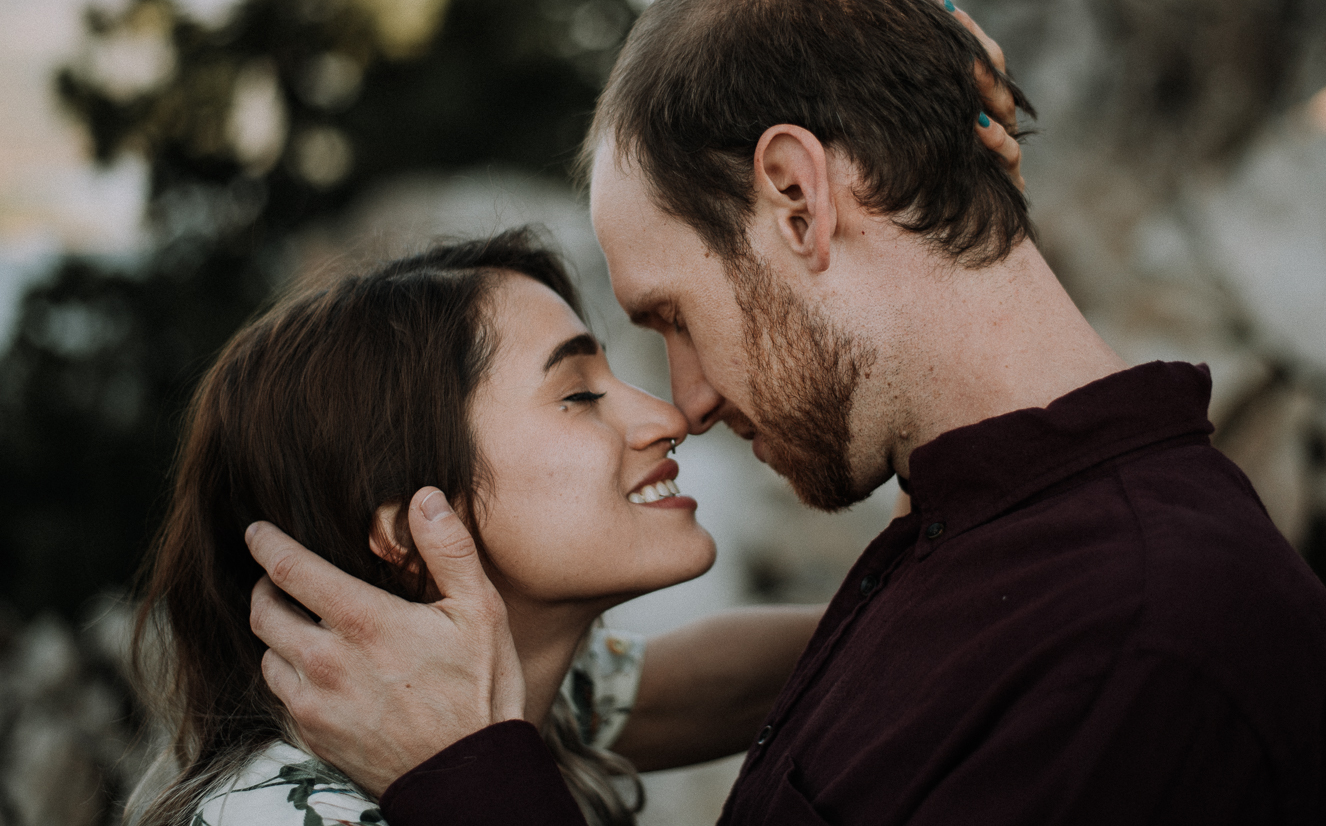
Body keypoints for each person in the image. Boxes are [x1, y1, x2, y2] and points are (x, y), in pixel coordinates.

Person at [247, 0, 1326, 824]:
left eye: (674, 318)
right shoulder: (973, 553)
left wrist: (474, 788)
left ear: (797, 197)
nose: (684, 401)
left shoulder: (1143, 646)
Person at [129, 231, 822, 826]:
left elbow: (723, 685)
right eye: (579, 394)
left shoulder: (520, 688)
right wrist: (477, 771)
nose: (668, 418)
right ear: (412, 531)